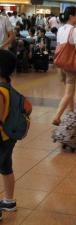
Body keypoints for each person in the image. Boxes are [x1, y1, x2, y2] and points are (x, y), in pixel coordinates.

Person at [52, 6, 76, 126]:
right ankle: (57, 117)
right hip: (71, 65)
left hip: (61, 65)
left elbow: (58, 47)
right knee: (68, 93)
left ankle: (71, 113)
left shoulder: (61, 29)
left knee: (69, 92)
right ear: (71, 16)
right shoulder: (75, 30)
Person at [0, 50, 19, 219]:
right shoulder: (9, 88)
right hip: (9, 136)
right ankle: (9, 201)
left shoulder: (0, 91)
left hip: (1, 137)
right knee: (5, 167)